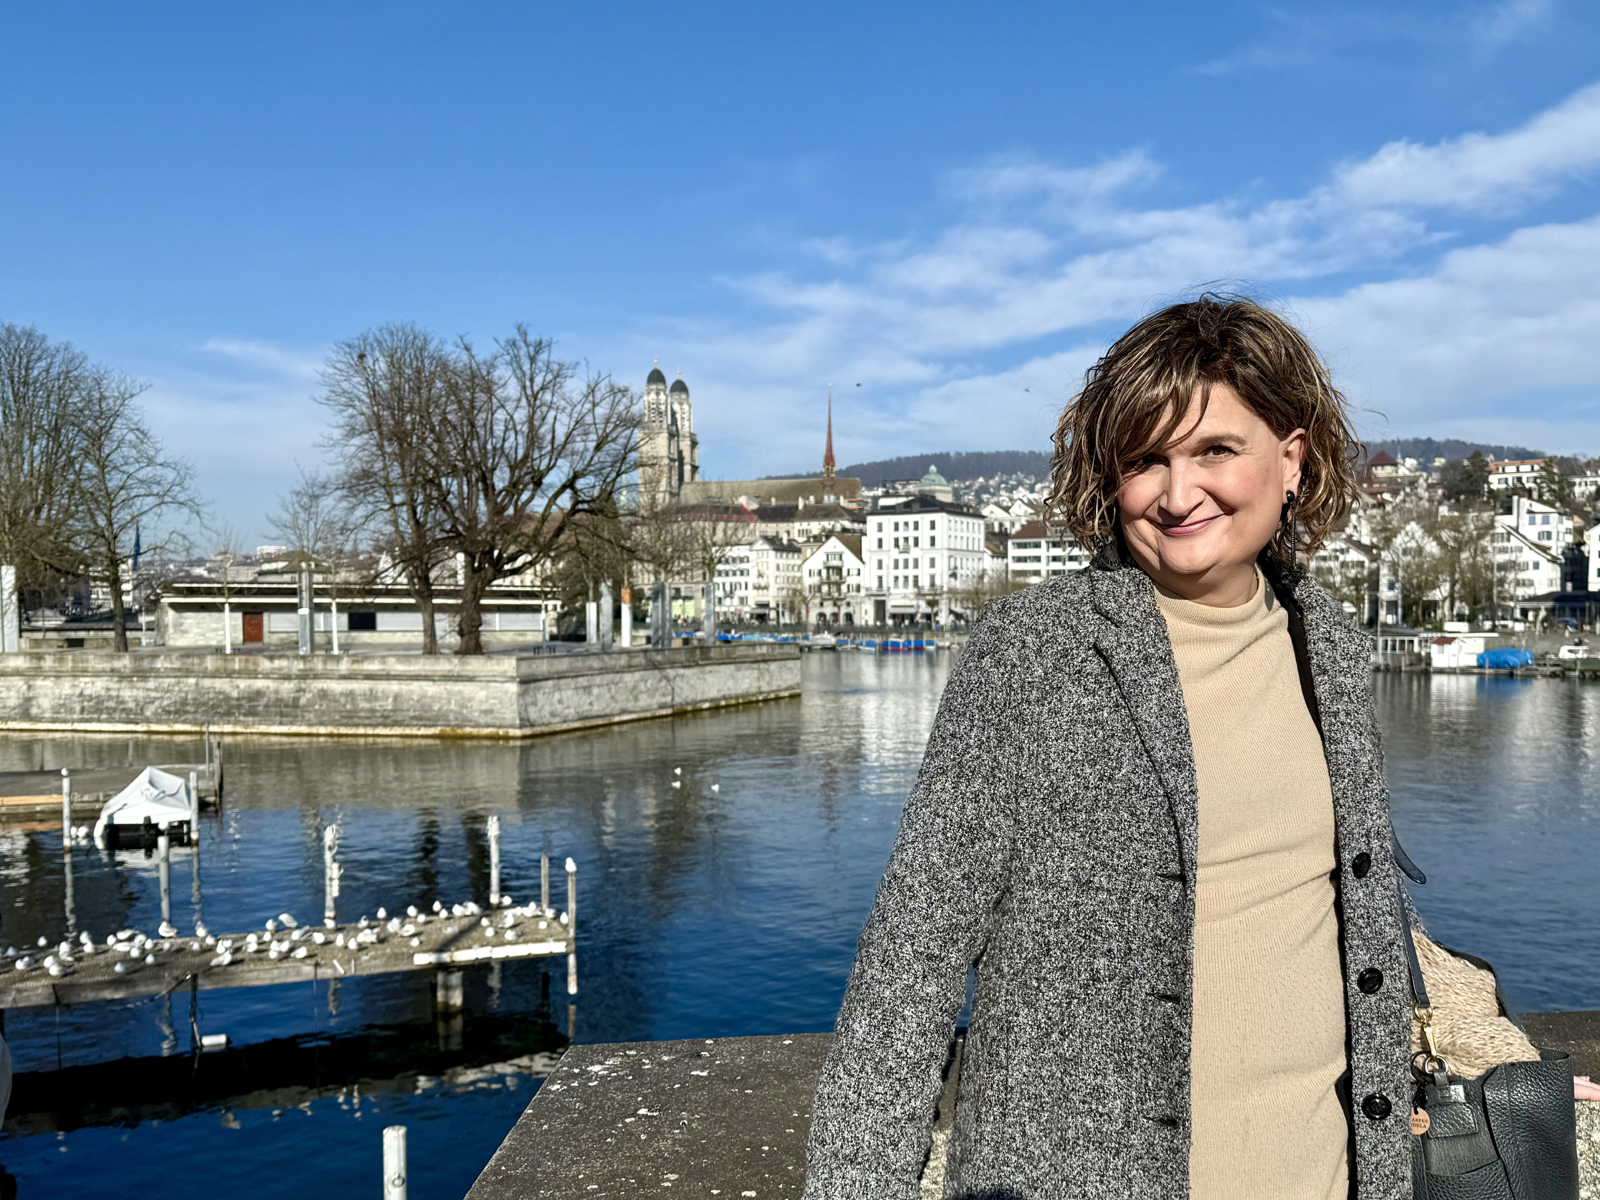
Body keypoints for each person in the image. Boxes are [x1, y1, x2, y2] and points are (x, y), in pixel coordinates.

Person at [805, 296, 1414, 1199]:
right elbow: (910, 967)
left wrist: (1484, 1040)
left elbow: (1347, 895)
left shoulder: (1326, 642)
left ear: (1291, 460)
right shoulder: (1034, 653)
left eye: (1215, 450)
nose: (1177, 495)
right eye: (1145, 460)